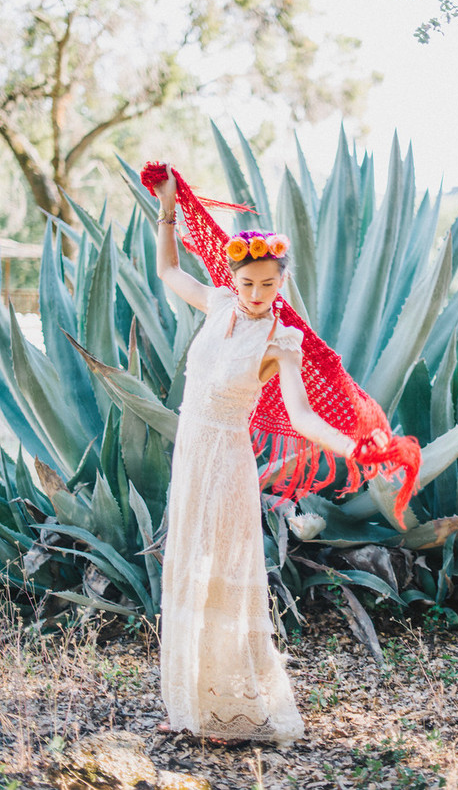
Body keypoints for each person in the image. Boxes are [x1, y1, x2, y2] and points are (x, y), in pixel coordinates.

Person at [151, 164, 389, 747]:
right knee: (186, 567)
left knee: (220, 577)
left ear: (281, 283)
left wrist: (354, 446)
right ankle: (191, 705)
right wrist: (165, 207)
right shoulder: (217, 305)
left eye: (269, 285)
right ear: (234, 278)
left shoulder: (280, 341)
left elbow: (304, 417)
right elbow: (166, 269)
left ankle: (234, 709)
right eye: (249, 283)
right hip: (191, 454)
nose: (258, 295)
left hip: (226, 463)